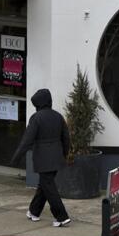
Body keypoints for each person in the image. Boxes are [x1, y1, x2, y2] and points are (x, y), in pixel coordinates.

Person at [9, 88, 72, 227]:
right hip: (57, 156)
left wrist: (16, 158)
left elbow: (27, 140)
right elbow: (66, 138)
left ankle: (62, 216)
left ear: (38, 104)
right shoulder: (58, 116)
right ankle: (34, 212)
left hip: (43, 158)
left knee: (48, 186)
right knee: (44, 185)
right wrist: (64, 154)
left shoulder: (36, 118)